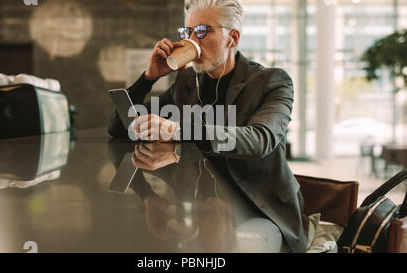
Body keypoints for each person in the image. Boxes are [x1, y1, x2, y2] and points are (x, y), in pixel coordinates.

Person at [108, 0, 309, 252]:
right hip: (199, 212)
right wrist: (147, 79)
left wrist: (177, 130)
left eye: (203, 31)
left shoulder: (271, 82)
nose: (193, 40)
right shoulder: (187, 82)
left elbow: (260, 140)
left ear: (232, 38)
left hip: (258, 212)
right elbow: (121, 128)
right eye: (188, 32)